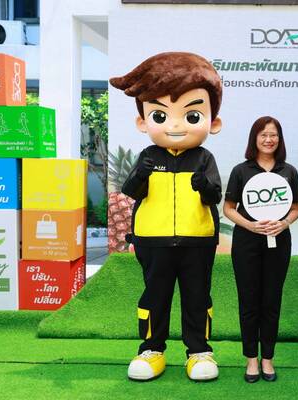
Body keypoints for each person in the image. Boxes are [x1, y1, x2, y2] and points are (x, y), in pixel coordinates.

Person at [110, 52, 223, 382]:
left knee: (196, 297)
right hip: (153, 241)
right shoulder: (148, 155)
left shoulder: (204, 158)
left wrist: (204, 185)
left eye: (191, 115)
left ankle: (198, 351)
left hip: (197, 242)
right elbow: (131, 191)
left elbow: (214, 195)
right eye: (160, 115)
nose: (174, 125)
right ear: (143, 121)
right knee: (154, 296)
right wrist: (141, 174)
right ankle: (151, 349)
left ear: (213, 122)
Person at [223, 116, 298, 383]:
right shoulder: (241, 170)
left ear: (280, 139)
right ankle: (251, 360)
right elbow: (228, 208)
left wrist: (284, 223)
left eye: (274, 135)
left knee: (271, 300)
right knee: (248, 301)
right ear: (254, 138)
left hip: (279, 241)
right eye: (263, 135)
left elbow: (296, 207)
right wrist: (250, 225)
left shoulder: (288, 171)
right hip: (247, 242)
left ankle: (268, 358)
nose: (269, 139)